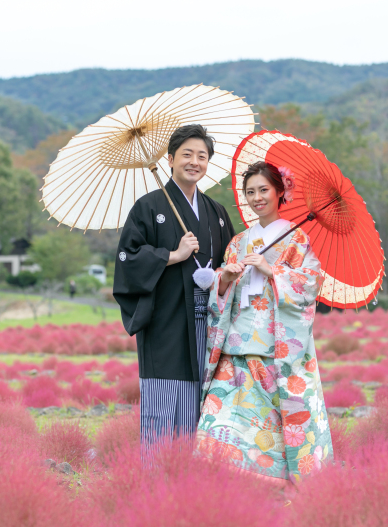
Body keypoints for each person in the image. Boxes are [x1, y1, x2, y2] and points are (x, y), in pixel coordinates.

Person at [196, 161, 333, 485]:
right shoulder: (238, 242)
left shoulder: (297, 240)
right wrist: (225, 278)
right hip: (234, 345)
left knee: (269, 423)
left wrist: (274, 270)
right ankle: (222, 484)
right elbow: (220, 291)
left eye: (263, 190)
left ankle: (268, 488)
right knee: (218, 418)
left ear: (280, 192)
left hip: (274, 347)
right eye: (250, 192)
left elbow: (311, 283)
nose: (257, 198)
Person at [113, 124, 236, 456]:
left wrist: (220, 277)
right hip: (166, 319)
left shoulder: (217, 213)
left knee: (205, 396)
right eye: (187, 155)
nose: (194, 162)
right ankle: (157, 473)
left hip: (208, 320)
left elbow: (231, 261)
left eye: (202, 156)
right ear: (169, 159)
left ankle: (195, 477)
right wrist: (172, 255)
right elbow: (128, 258)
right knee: (163, 400)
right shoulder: (148, 207)